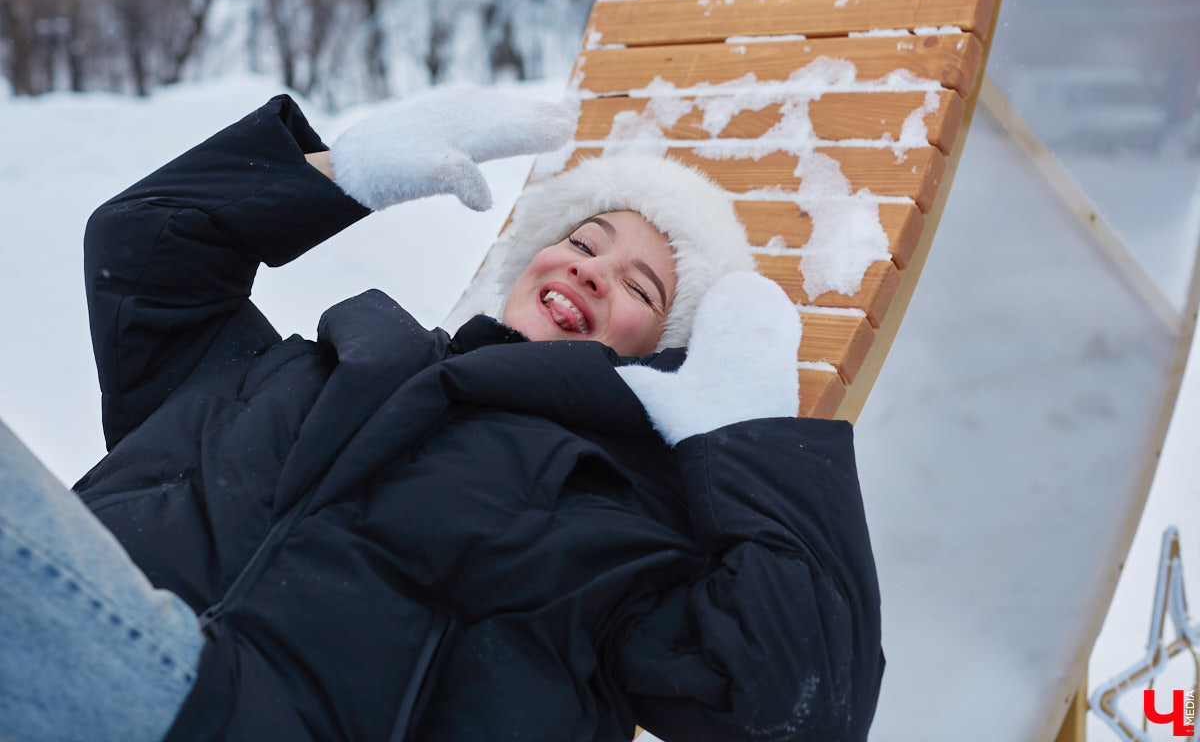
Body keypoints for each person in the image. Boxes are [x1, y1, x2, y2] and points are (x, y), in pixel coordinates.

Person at [0, 88, 884, 741]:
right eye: (581, 242)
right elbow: (146, 250)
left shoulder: (612, 520)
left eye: (640, 287)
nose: (589, 271)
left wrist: (746, 437)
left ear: (664, 357)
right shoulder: (316, 364)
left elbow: (800, 708)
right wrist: (338, 175)